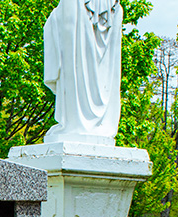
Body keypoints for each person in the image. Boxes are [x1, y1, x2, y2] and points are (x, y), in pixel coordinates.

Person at [43, 0, 123, 145]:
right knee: (75, 58)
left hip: (85, 8)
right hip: (103, 8)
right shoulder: (116, 9)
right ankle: (74, 123)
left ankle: (73, 124)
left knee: (74, 59)